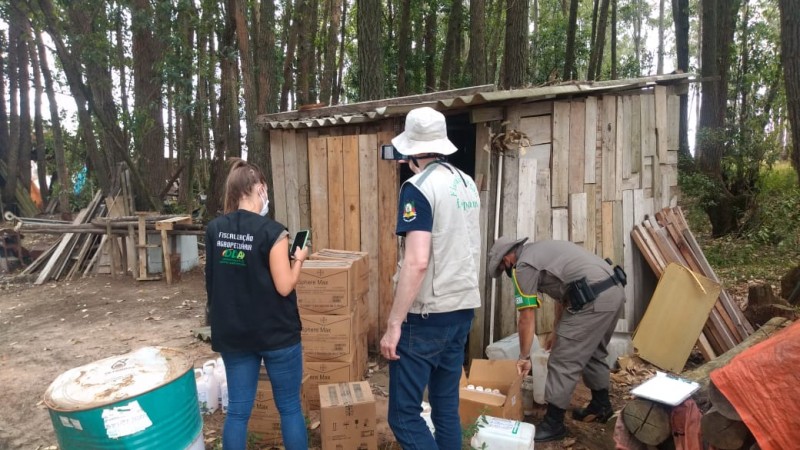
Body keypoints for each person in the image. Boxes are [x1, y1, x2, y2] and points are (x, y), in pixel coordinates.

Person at [379, 107, 482, 450]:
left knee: (404, 415)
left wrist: (395, 322)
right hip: (462, 308)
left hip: (426, 317)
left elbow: (418, 261)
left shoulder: (417, 188)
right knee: (445, 408)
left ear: (410, 149)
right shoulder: (466, 183)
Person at [205, 159, 309, 450]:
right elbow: (285, 285)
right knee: (289, 408)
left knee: (237, 411)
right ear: (259, 188)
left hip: (234, 335)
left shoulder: (215, 230)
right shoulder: (272, 231)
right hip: (277, 334)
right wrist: (299, 258)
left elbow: (212, 283)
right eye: (265, 188)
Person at [487, 237, 626, 442]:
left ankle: (554, 423)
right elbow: (565, 295)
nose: (506, 271)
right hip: (612, 291)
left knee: (562, 360)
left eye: (502, 267)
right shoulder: (542, 250)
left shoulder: (524, 266)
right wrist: (555, 330)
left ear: (507, 257)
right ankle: (601, 405)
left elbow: (526, 317)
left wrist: (524, 357)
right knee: (593, 350)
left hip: (592, 299)